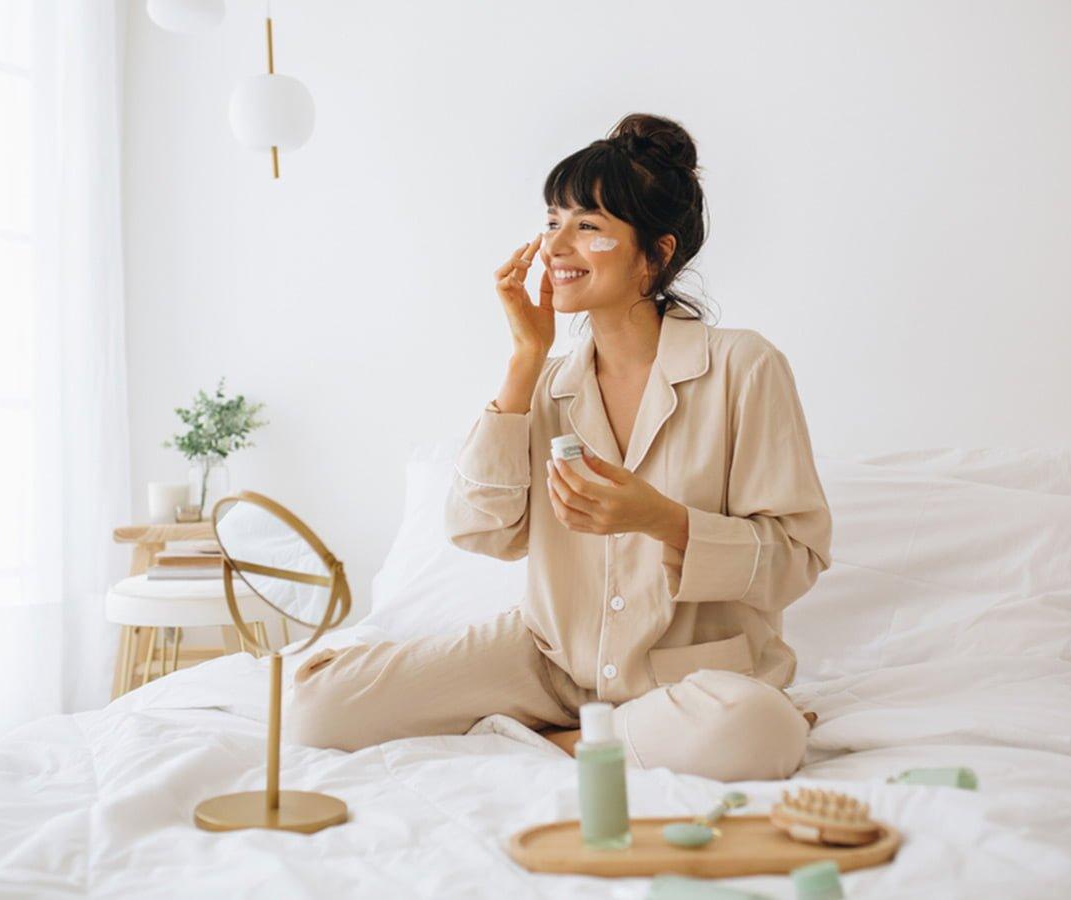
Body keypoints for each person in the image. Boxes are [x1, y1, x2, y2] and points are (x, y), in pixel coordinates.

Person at [285, 113, 833, 782]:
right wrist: (525, 359)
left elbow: (795, 560)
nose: (556, 246)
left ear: (656, 254)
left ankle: (570, 740)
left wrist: (663, 520)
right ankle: (599, 736)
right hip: (550, 662)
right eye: (552, 222)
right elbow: (481, 530)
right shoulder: (547, 384)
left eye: (589, 226)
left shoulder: (743, 366)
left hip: (686, 678)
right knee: (317, 705)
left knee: (757, 729)